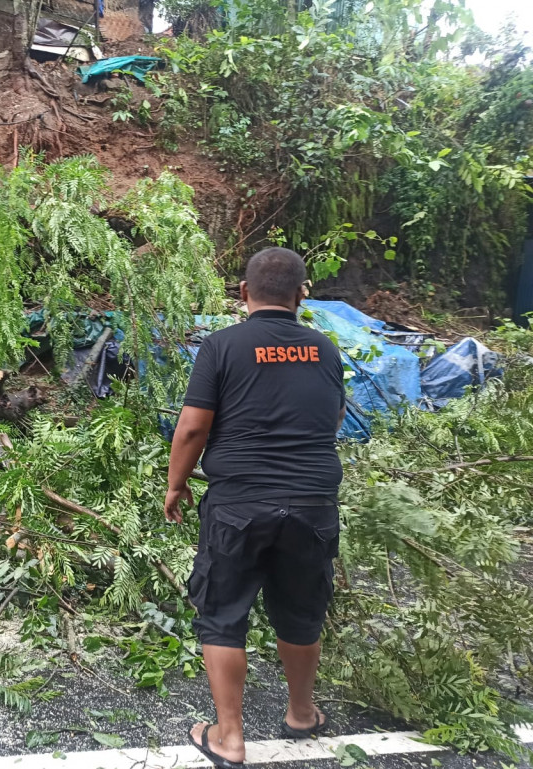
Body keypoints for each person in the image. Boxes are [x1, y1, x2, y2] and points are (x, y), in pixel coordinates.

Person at [165, 247, 346, 768]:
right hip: (312, 502)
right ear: (302, 295)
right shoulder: (327, 349)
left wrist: (176, 485)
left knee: (222, 615)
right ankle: (302, 713)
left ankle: (229, 737)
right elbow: (329, 422)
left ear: (243, 293)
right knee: (301, 611)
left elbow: (194, 427)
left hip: (239, 502)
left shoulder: (222, 346)